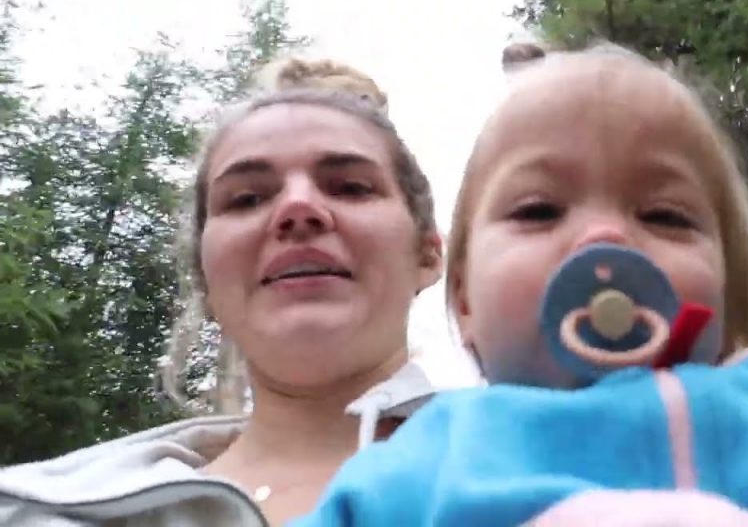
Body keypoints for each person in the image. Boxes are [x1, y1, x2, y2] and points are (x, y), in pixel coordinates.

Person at [292, 44, 748, 527]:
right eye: (539, 210)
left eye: (666, 216)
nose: (605, 238)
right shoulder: (428, 462)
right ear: (465, 304)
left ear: (728, 293)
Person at [0, 57, 445, 526]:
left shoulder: (503, 470)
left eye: (351, 188)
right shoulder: (31, 512)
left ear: (428, 254)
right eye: (246, 199)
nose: (298, 207)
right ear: (206, 281)